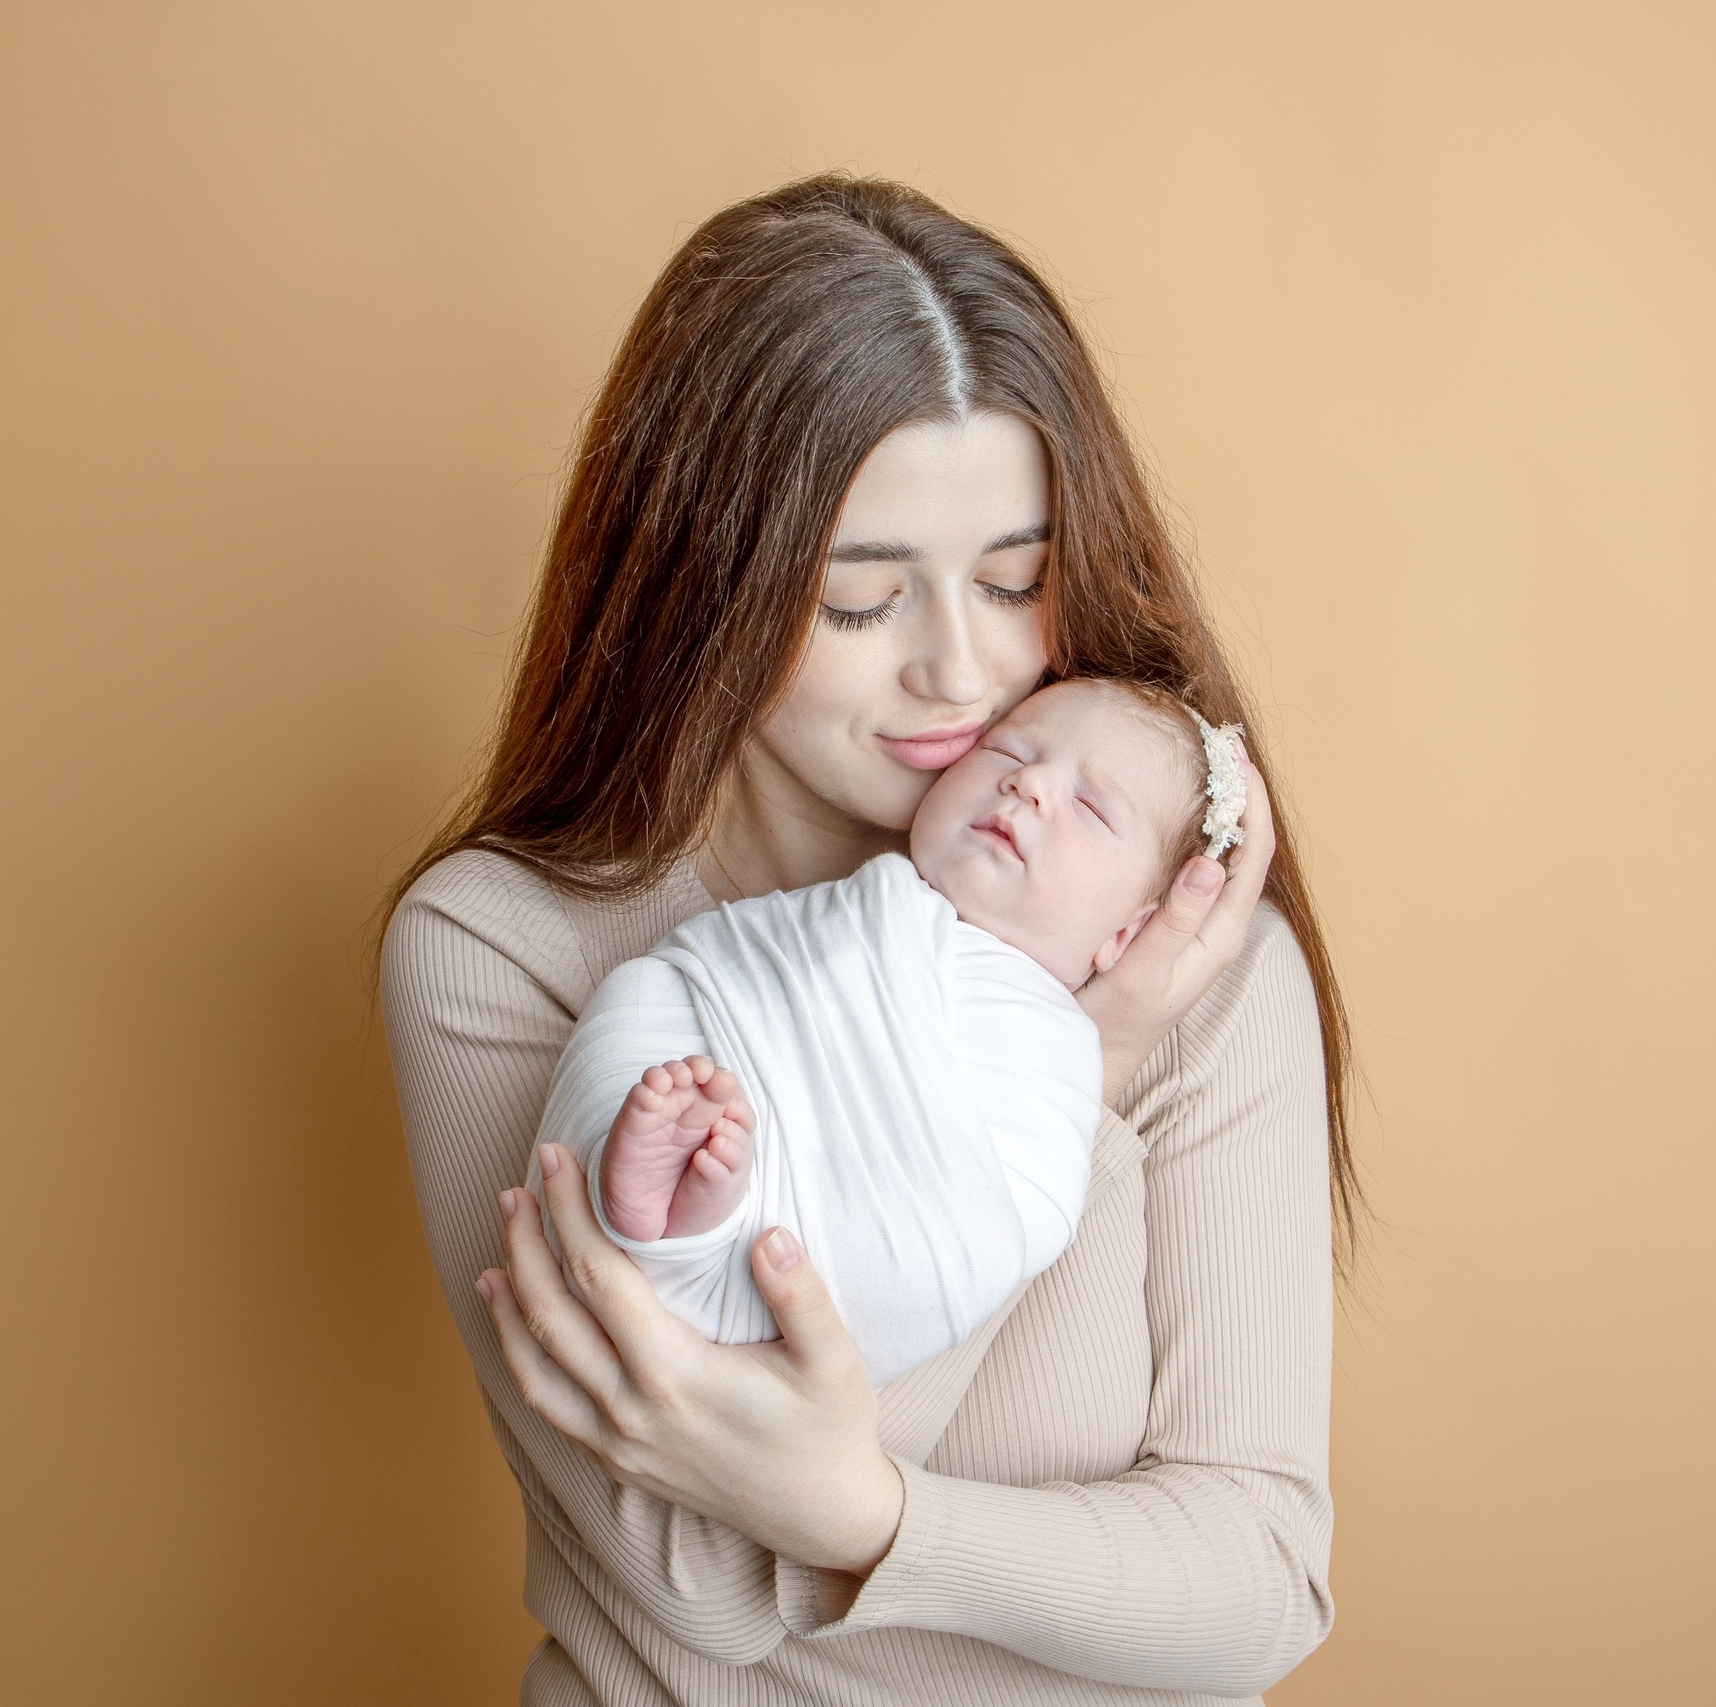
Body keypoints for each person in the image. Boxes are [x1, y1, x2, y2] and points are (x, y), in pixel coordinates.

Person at [380, 173, 1354, 1705]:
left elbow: (1257, 1592)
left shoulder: (1173, 953)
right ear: (702, 587)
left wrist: (874, 1519)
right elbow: (695, 1585)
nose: (961, 668)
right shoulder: (508, 951)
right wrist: (1075, 1076)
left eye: (1017, 580)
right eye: (858, 601)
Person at [558, 679, 1248, 1392]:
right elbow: (747, 968)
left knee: (935, 1252)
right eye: (1006, 747)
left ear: (1127, 933)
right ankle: (681, 1201)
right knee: (643, 995)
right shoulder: (873, 898)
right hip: (732, 1066)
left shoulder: (1060, 1043)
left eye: (1094, 807)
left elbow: (1022, 1216)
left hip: (837, 1234)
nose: (1031, 780)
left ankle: (699, 1223)